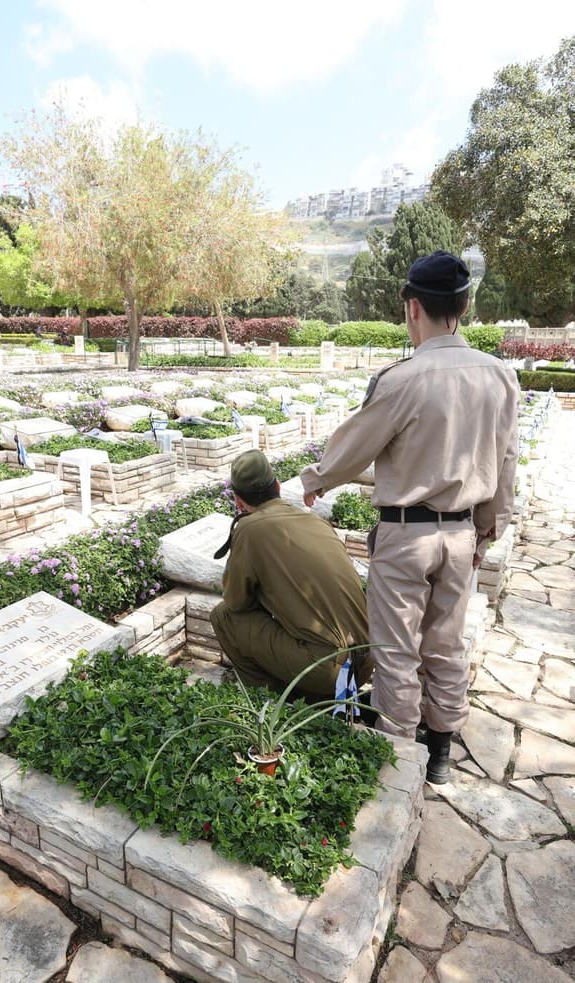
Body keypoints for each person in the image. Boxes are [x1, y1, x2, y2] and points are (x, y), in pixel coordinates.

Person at [300, 251, 519, 783]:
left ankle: (398, 762)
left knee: (397, 651)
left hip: (407, 535)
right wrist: (488, 529)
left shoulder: (403, 378)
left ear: (413, 307)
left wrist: (315, 481)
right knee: (445, 644)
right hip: (461, 534)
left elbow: (356, 444)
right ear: (463, 306)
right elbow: (506, 461)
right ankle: (440, 752)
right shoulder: (500, 376)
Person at [210, 449, 372, 702]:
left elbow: (236, 603)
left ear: (238, 501)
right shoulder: (316, 521)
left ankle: (273, 704)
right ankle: (314, 697)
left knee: (223, 617)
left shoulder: (250, 529)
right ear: (277, 486)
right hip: (364, 662)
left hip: (327, 670)